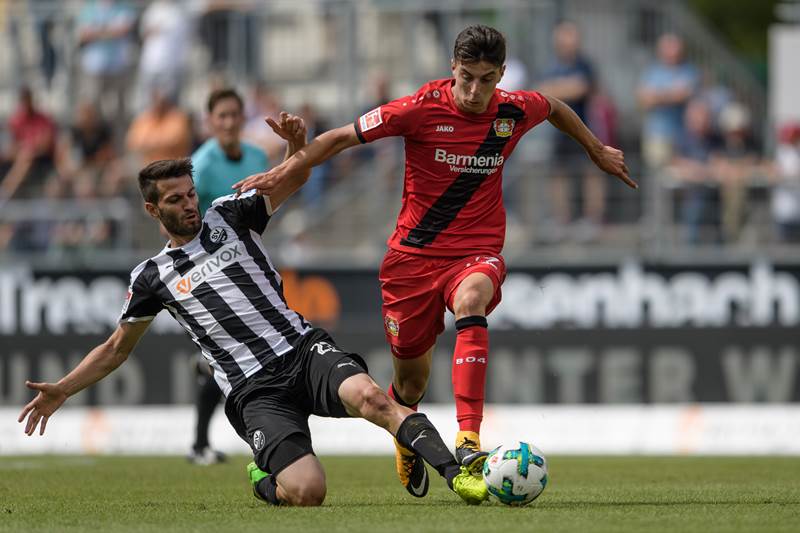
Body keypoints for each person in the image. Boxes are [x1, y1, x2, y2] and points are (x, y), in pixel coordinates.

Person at [233, 25, 636, 498]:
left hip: (476, 251)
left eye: (487, 79)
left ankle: (468, 439)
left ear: (501, 75)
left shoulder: (513, 109)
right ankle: (407, 435)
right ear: (452, 68)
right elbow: (341, 137)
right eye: (466, 77)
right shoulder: (419, 108)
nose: (474, 90)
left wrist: (596, 149)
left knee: (472, 298)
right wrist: (286, 166)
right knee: (410, 379)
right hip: (411, 263)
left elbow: (556, 108)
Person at [17, 154, 488, 506]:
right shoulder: (152, 276)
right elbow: (117, 348)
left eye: (190, 193)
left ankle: (457, 474)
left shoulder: (230, 215)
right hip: (253, 389)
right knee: (308, 493)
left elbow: (297, 176)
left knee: (374, 398)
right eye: (175, 200)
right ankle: (266, 479)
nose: (189, 205)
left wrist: (299, 148)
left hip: (302, 349)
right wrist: (63, 389)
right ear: (151, 209)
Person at [185, 88, 274, 465]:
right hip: (212, 273)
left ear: (243, 118)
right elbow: (180, 221)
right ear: (210, 121)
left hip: (250, 265)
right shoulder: (201, 165)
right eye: (220, 116)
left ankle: (202, 445)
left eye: (234, 115)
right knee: (232, 355)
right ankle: (206, 445)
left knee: (225, 359)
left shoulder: (257, 156)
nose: (228, 122)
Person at [537, 21, 604, 241]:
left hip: (583, 128)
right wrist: (563, 89)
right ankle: (561, 220)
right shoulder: (552, 65)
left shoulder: (585, 64)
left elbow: (580, 88)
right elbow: (541, 91)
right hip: (558, 131)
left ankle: (593, 219)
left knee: (590, 173)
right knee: (559, 175)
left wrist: (557, 90)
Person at [637, 33, 699, 170]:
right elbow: (644, 100)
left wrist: (658, 96)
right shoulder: (653, 72)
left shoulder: (688, 71)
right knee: (658, 175)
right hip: (657, 134)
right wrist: (671, 94)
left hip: (683, 135)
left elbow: (684, 94)